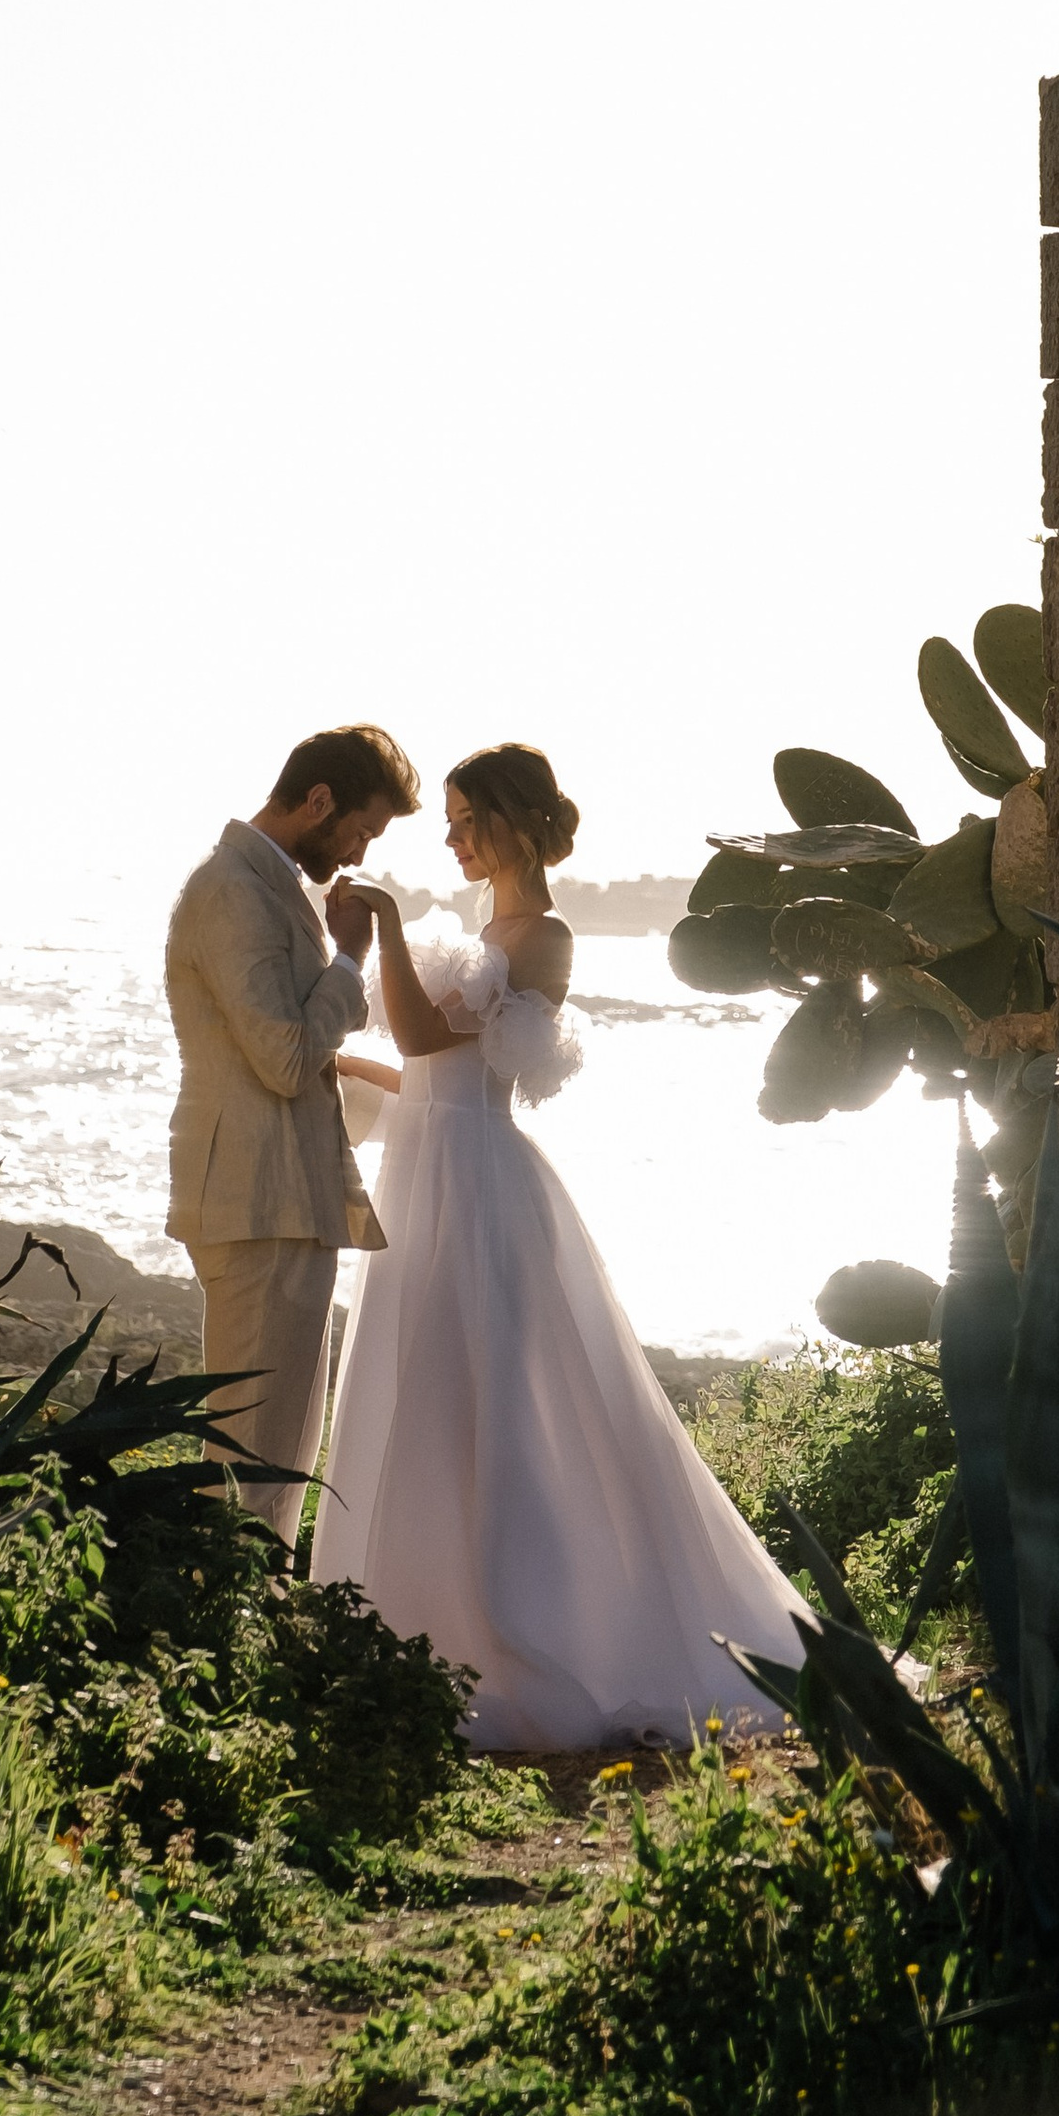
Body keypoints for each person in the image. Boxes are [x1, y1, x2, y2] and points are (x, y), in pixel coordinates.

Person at [312, 741, 814, 1749]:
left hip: (481, 1188)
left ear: (514, 820)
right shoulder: (484, 931)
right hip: (429, 1175)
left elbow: (424, 1040)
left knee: (502, 1404)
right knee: (429, 1395)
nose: (452, 839)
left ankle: (534, 1630)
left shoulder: (545, 936)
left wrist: (387, 933)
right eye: (448, 822)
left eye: (466, 820)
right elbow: (428, 1077)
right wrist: (342, 1067)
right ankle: (422, 1623)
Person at [162, 724, 420, 1543]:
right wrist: (349, 960)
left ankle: (249, 1597)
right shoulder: (233, 890)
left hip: (281, 1200)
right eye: (360, 830)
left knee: (277, 1450)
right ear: (318, 801)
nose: (358, 852)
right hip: (257, 1202)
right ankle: (230, 1601)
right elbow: (283, 1059)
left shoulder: (268, 884)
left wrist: (425, 1107)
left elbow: (299, 1058)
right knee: (254, 1459)